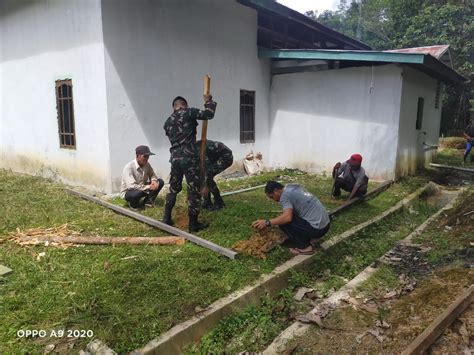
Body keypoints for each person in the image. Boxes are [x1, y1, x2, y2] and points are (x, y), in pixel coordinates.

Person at [162, 95, 217, 232]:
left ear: (173, 107)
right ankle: (193, 224)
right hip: (190, 159)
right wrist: (208, 102)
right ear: (184, 105)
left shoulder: (167, 122)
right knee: (194, 190)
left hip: (175, 159)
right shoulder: (189, 112)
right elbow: (209, 114)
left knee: (173, 189)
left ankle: (166, 218)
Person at [251, 181, 330, 255]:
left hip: (318, 229)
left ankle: (306, 248)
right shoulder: (292, 187)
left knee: (284, 223)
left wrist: (266, 222)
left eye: (272, 197)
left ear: (276, 190)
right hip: (326, 225)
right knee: (290, 216)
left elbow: (287, 218)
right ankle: (313, 238)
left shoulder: (284, 196)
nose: (274, 200)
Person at [197, 139, 233, 210]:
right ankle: (208, 202)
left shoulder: (199, 148)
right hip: (216, 157)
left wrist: (204, 187)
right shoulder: (194, 147)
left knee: (208, 177)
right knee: (206, 178)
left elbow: (206, 167)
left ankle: (219, 203)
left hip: (226, 157)